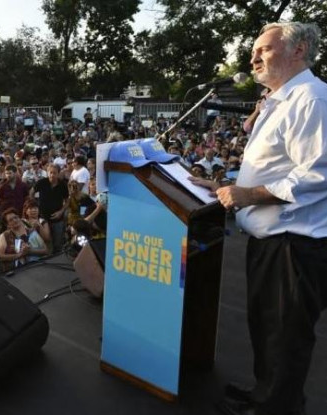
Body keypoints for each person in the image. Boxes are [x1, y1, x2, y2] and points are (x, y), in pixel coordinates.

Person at [190, 22, 327, 415]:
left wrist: (247, 195)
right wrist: (223, 184)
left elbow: (317, 173)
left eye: (263, 50)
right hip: (272, 241)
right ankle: (265, 393)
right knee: (268, 329)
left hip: (295, 246)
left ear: (298, 50)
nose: (253, 58)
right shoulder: (280, 99)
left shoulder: (311, 100)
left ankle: (275, 408)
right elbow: (273, 166)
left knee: (286, 336)